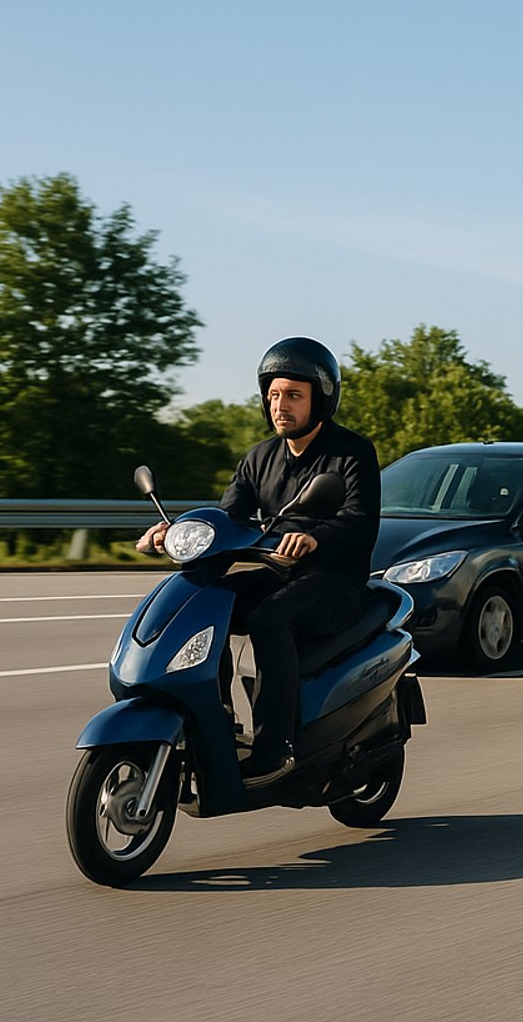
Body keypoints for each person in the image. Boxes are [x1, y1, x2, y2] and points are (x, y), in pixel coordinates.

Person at [138, 337, 380, 787]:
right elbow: (228, 517)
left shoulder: (351, 453)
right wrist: (173, 532)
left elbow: (359, 523)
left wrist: (313, 537)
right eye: (273, 395)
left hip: (335, 580)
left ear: (321, 398)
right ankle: (216, 722)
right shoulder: (259, 458)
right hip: (277, 573)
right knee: (207, 603)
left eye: (293, 395)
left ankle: (274, 749)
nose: (280, 405)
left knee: (270, 619)